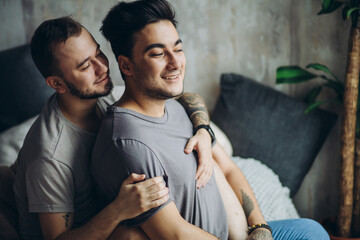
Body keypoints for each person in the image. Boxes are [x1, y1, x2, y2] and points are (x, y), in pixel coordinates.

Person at [91, 0, 331, 239]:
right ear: (126, 65)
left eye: (178, 48)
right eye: (158, 53)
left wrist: (260, 229)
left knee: (311, 231)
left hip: (243, 234)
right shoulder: (129, 142)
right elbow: (174, 234)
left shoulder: (175, 107)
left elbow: (228, 168)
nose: (176, 63)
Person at [13, 16, 215, 240]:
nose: (102, 68)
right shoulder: (49, 157)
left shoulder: (105, 94)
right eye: (85, 65)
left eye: (98, 53)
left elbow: (179, 96)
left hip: (114, 210)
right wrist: (118, 210)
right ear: (57, 84)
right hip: (90, 229)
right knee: (132, 235)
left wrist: (204, 130)